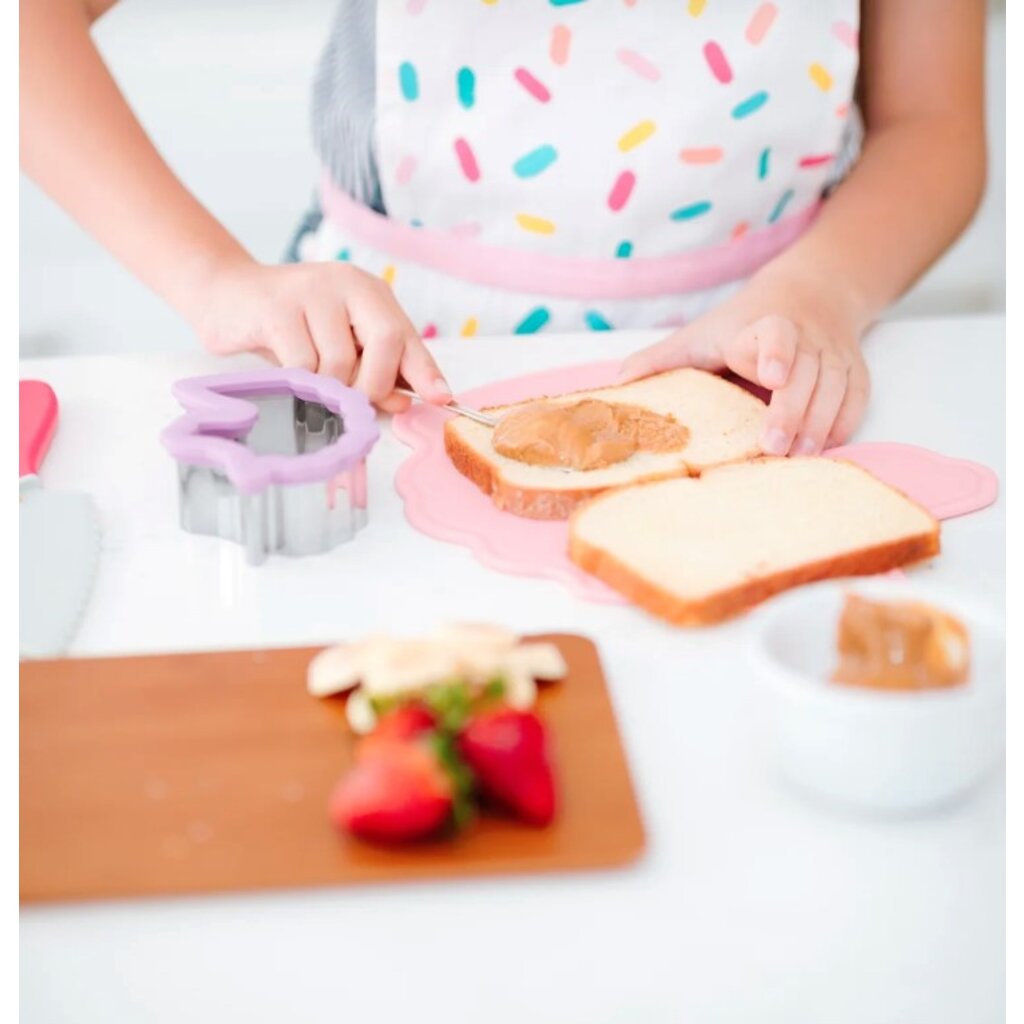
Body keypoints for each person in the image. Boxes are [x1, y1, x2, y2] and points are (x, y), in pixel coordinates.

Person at [20, 0, 986, 455]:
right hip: (387, 372)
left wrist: (821, 293)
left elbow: (933, 125)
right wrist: (216, 280)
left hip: (780, 359)